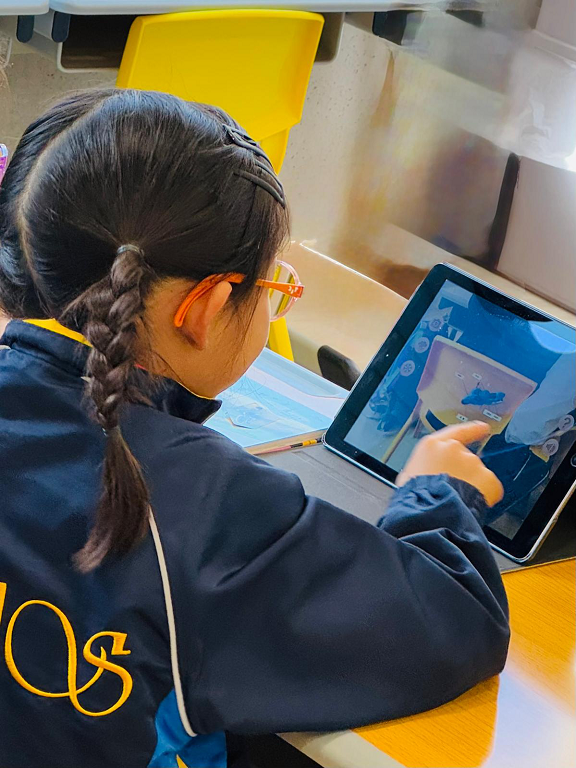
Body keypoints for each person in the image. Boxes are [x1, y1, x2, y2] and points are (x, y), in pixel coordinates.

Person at [0, 89, 508, 768]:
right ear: (204, 309)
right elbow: (453, 619)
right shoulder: (202, 505)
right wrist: (435, 494)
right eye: (274, 289)